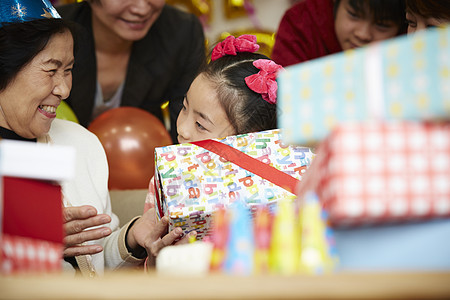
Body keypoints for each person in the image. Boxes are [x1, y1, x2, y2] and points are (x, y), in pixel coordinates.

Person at [0, 0, 191, 276]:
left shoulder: (81, 144)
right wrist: (24, 241)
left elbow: (95, 262)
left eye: (68, 70)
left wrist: (131, 239)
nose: (64, 89)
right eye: (51, 70)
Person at [144, 35, 283, 237]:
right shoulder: (164, 184)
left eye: (200, 125)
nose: (183, 129)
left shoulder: (277, 192)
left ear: (248, 140)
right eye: (184, 107)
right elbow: (151, 259)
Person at [56, 0, 206, 142]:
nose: (141, 9)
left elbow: (187, 134)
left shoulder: (182, 32)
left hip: (143, 158)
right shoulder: (51, 27)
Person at [271, 0, 407, 67]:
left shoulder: (410, 40)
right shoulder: (299, 23)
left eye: (382, 25)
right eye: (354, 15)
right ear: (335, 3)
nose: (363, 34)